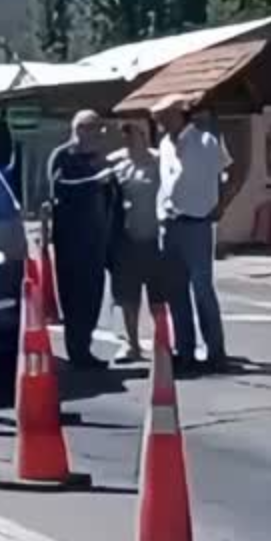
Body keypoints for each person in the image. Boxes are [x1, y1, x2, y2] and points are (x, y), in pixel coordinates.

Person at [153, 95, 233, 376]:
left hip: (197, 223)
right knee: (176, 292)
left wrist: (220, 206)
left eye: (164, 116)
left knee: (202, 290)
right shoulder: (164, 145)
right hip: (170, 224)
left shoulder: (206, 142)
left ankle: (215, 352)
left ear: (179, 115)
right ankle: (184, 351)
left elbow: (228, 172)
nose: (159, 122)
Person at [47, 110, 115, 369]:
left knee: (93, 295)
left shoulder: (99, 158)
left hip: (97, 237)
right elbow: (60, 188)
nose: (99, 134)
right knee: (73, 296)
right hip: (71, 239)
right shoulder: (63, 156)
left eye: (100, 129)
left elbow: (109, 197)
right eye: (94, 128)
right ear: (80, 129)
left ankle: (84, 348)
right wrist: (94, 181)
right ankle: (76, 351)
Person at [108, 122, 164, 365]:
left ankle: (163, 343)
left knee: (158, 297)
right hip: (127, 241)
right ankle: (132, 345)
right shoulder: (119, 167)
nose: (132, 139)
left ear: (144, 136)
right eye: (127, 136)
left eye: (136, 134)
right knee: (128, 297)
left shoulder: (160, 162)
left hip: (155, 238)